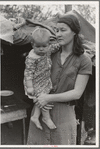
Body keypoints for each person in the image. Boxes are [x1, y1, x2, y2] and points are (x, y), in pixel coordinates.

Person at [27, 12, 92, 145]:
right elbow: (32, 72)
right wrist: (33, 93)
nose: (58, 34)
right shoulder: (48, 53)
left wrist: (48, 98)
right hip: (40, 111)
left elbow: (77, 93)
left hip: (64, 114)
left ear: (74, 32)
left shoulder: (84, 60)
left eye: (63, 30)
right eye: (56, 30)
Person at [24, 27, 60, 130]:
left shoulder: (47, 50)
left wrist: (61, 45)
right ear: (32, 45)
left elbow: (54, 47)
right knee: (43, 98)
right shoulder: (32, 58)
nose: (41, 49)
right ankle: (46, 118)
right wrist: (30, 87)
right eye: (38, 46)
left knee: (41, 99)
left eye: (44, 46)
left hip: (44, 80)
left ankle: (35, 116)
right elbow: (28, 73)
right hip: (34, 82)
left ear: (48, 45)